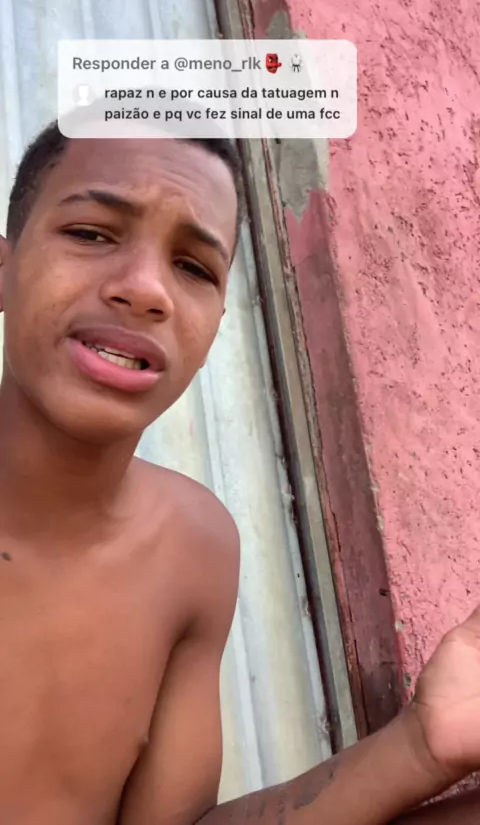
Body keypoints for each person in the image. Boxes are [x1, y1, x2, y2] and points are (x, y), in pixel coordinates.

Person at [0, 120, 479, 825]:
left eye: (194, 268)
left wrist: (423, 746)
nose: (146, 289)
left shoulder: (194, 547)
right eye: (92, 233)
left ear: (216, 322)